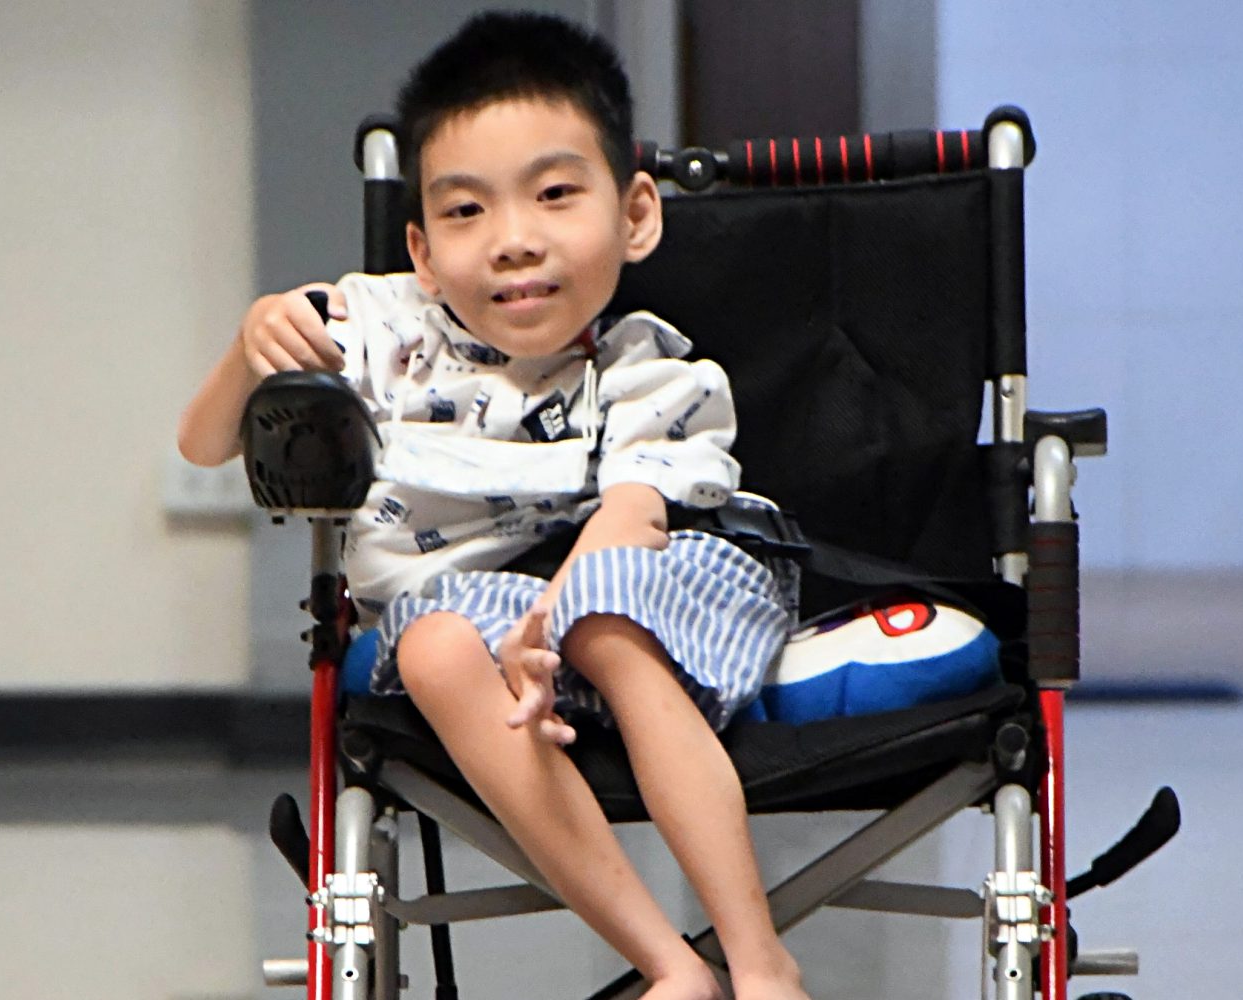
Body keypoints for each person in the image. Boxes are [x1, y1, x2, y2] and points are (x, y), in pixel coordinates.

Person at [178, 12, 809, 1000]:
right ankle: (673, 966)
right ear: (423, 252)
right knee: (431, 647)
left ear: (635, 214)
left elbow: (632, 523)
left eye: (555, 194)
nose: (514, 241)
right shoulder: (379, 331)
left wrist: (548, 626)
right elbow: (204, 444)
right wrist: (252, 341)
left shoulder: (651, 371)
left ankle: (763, 962)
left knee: (604, 614)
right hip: (469, 616)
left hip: (640, 593)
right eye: (467, 211)